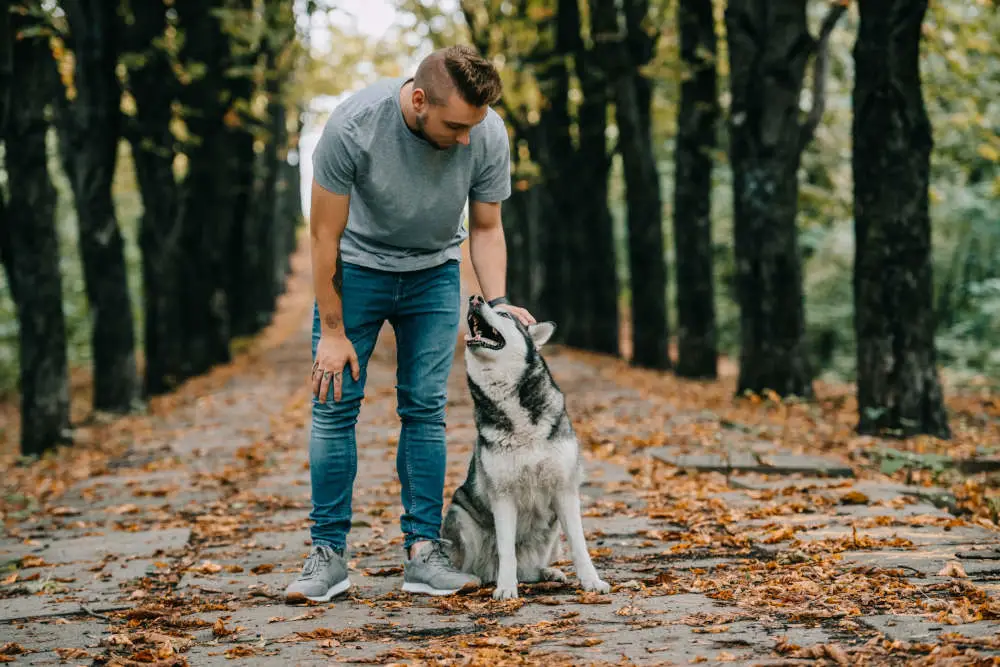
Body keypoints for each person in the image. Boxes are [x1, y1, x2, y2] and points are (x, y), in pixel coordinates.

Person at [284, 45, 535, 602]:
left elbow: (487, 226)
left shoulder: (486, 130)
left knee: (425, 410)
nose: (467, 137)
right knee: (334, 406)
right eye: (455, 125)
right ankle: (328, 556)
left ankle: (424, 552)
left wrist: (497, 301)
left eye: (474, 125)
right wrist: (331, 329)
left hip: (433, 275)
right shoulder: (354, 125)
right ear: (419, 100)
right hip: (357, 272)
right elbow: (324, 236)